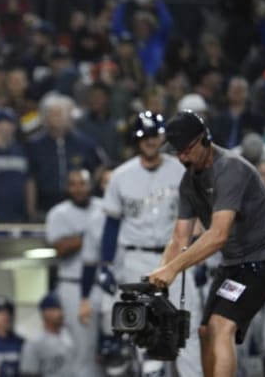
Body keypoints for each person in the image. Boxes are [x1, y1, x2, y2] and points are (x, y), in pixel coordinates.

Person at [147, 110, 265, 377]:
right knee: (205, 332)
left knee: (220, 326)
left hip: (264, 258)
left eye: (185, 150)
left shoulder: (231, 169)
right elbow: (179, 238)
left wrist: (172, 270)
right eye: (177, 152)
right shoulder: (189, 181)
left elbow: (217, 236)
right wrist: (157, 276)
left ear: (203, 138)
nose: (181, 157)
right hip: (234, 264)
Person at [84, 111, 203, 376]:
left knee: (187, 326)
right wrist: (105, 264)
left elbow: (197, 216)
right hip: (137, 259)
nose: (150, 141)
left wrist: (198, 257)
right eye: (145, 136)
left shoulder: (180, 169)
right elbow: (112, 224)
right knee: (142, 328)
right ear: (136, 140)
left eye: (155, 135)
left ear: (163, 138)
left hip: (177, 257)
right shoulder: (120, 176)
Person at [44, 168, 102, 376]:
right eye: (73, 184)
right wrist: (92, 234)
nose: (78, 189)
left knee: (112, 347)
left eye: (82, 183)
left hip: (105, 284)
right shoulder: (59, 212)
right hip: (73, 285)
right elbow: (60, 247)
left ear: (90, 185)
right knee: (81, 349)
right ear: (68, 188)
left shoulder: (103, 207)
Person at [20, 293, 77, 377]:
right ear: (45, 313)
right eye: (55, 309)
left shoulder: (68, 335)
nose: (60, 313)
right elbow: (28, 373)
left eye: (60, 309)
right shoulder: (34, 342)